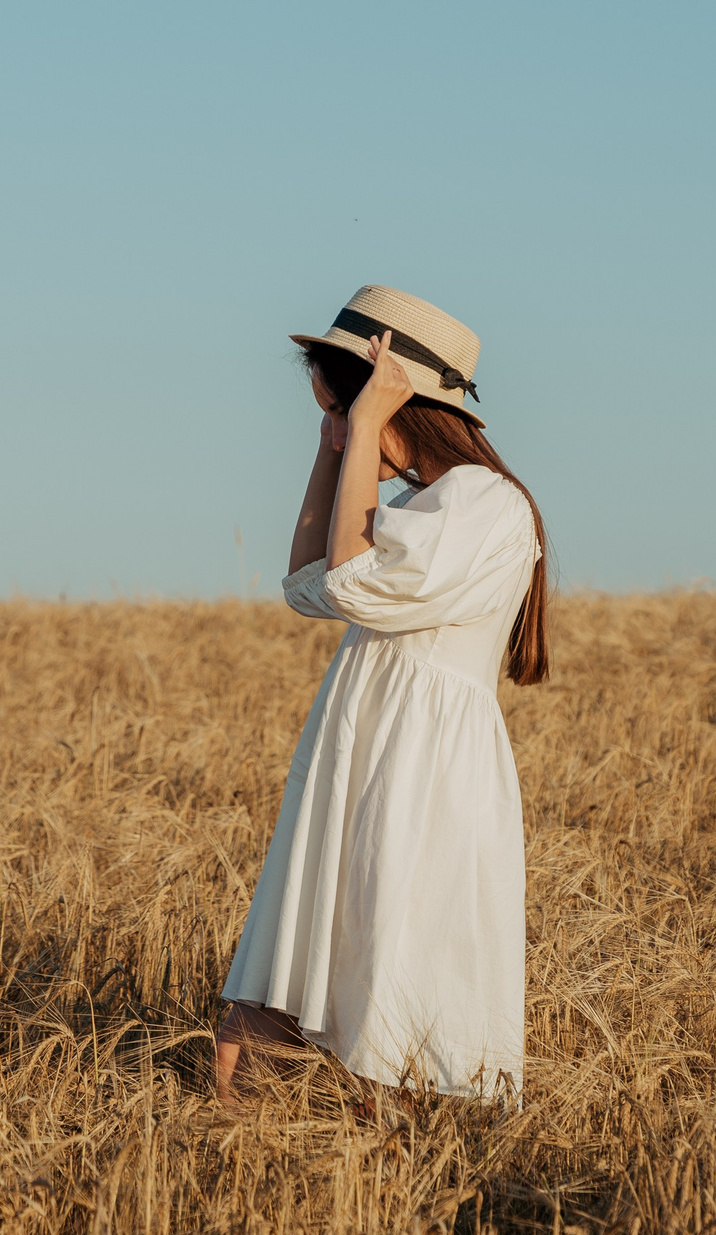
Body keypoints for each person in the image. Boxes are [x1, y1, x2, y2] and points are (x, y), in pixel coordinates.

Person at [216, 285, 550, 1105]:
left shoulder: (487, 505)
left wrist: (364, 428)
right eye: (327, 415)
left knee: (390, 992)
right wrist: (339, 445)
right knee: (265, 1002)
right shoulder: (410, 503)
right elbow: (306, 584)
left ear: (407, 401)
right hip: (361, 749)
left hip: (421, 768)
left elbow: (354, 584)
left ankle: (402, 1180)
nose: (336, 429)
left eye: (348, 408)